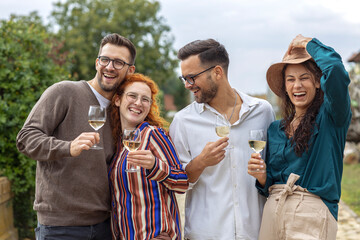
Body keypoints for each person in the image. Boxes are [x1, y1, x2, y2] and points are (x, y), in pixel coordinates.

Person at [16, 33, 136, 240]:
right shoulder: (65, 92)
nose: (110, 67)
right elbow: (26, 138)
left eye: (118, 62)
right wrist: (67, 147)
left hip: (106, 226)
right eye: (105, 59)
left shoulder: (122, 111)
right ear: (97, 62)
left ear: (130, 70)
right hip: (60, 227)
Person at [248, 35, 352, 239]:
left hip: (311, 215)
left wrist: (308, 43)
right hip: (273, 212)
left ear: (318, 83)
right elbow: (271, 182)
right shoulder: (275, 129)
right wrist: (262, 176)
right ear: (285, 88)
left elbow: (336, 71)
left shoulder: (331, 118)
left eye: (304, 78)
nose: (297, 85)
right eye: (291, 79)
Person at [169, 39, 275, 239]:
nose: (187, 85)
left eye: (191, 77)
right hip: (205, 234)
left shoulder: (262, 112)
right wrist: (200, 162)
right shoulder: (183, 121)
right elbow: (178, 181)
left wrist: (264, 173)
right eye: (184, 79)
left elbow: (275, 169)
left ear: (217, 72)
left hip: (256, 232)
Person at [108, 73, 189, 240]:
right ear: (118, 100)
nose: (138, 103)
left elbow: (182, 183)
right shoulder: (117, 144)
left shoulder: (154, 135)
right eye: (132, 96)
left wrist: (154, 165)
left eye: (145, 99)